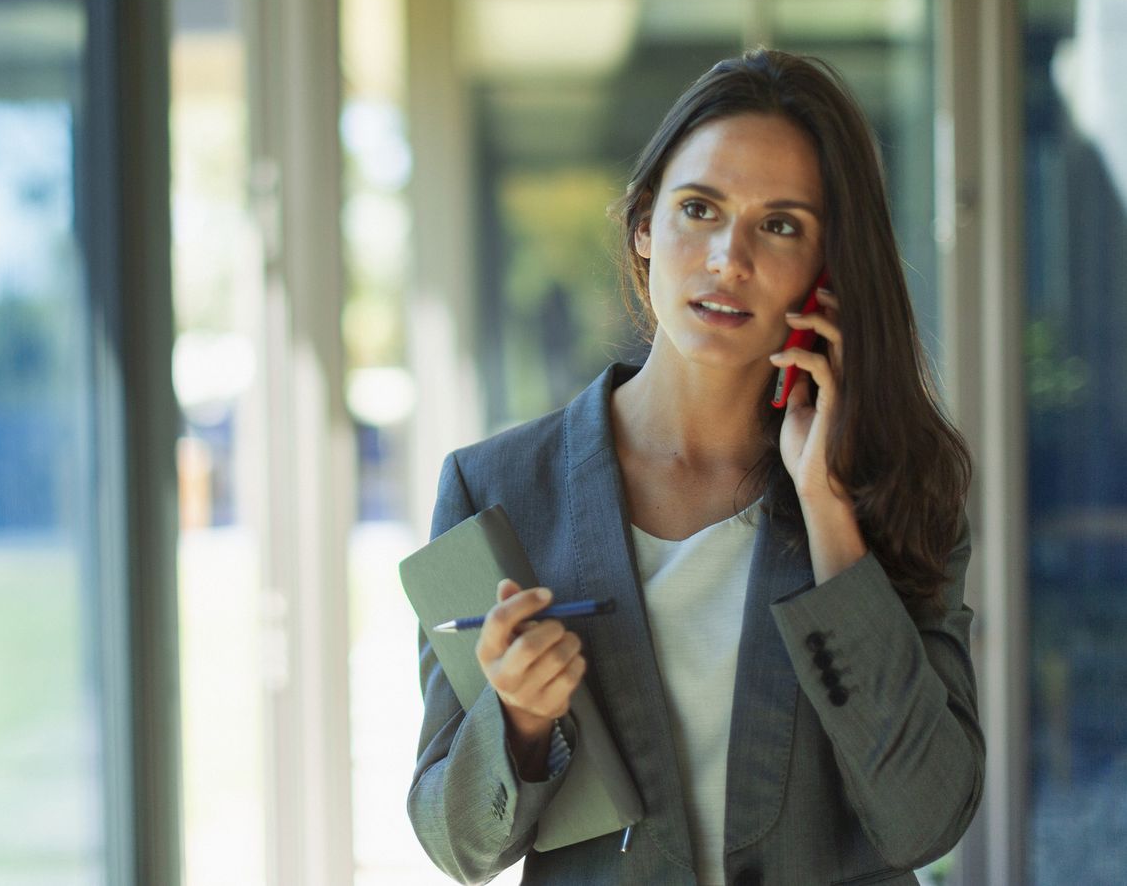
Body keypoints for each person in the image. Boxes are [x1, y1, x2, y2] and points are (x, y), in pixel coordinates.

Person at [407, 49, 984, 885]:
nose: (729, 258)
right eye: (700, 208)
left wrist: (827, 511)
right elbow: (455, 844)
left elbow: (927, 819)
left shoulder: (894, 486)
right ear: (645, 225)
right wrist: (521, 721)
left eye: (780, 224)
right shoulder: (494, 493)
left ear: (826, 266)